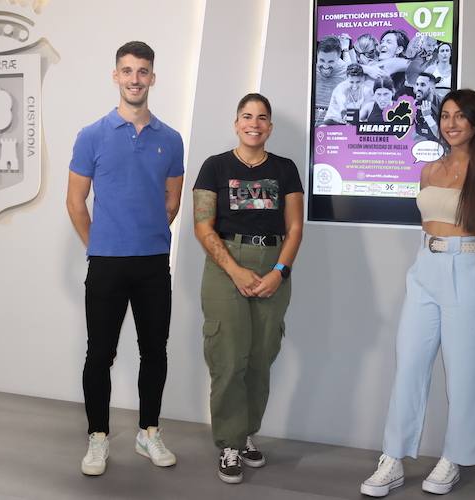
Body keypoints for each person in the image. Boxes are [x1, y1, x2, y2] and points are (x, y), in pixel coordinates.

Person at [360, 89, 475, 497]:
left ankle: (454, 457)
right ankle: (393, 457)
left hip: (466, 268)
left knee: (464, 374)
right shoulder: (428, 170)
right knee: (409, 364)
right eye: (445, 115)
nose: (451, 124)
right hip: (424, 269)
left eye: (460, 116)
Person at [66, 41, 184, 476]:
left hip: (154, 263)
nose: (135, 79)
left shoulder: (170, 139)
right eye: (128, 70)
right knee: (100, 353)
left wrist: (147, 231)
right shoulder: (91, 135)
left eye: (143, 71)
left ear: (153, 77)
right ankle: (97, 436)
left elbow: (172, 200)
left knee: (155, 351)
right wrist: (100, 244)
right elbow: (76, 202)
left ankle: (148, 431)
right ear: (115, 75)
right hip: (107, 264)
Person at [192, 93, 304, 484]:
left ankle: (246, 433)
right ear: (236, 123)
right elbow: (202, 226)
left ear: (269, 127)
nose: (253, 123)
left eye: (261, 117)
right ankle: (228, 442)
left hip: (271, 265)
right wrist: (235, 271)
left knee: (260, 358)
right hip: (226, 264)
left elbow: (294, 229)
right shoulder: (214, 168)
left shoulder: (286, 169)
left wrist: (278, 272)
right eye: (246, 116)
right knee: (228, 357)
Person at [314, 36, 349, 126]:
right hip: (309, 120)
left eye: (331, 62)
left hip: (334, 123)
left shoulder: (346, 71)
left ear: (338, 58)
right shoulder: (310, 67)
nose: (325, 66)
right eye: (322, 60)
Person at [413, 72, 441, 141]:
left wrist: (428, 117)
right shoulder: (414, 104)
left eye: (422, 85)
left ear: (432, 88)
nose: (418, 88)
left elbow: (443, 137)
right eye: (417, 84)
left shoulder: (442, 105)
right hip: (419, 146)